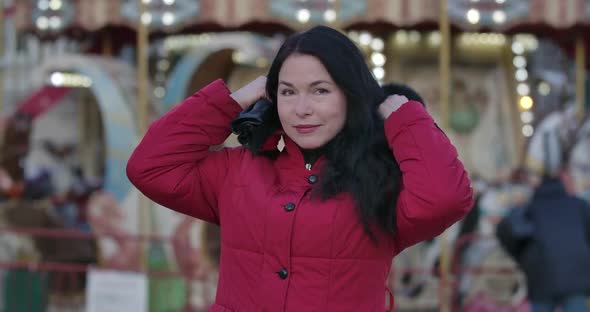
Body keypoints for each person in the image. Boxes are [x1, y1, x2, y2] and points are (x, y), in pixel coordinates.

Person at [127, 25, 473, 311]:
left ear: (351, 95)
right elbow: (149, 166)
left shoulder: (381, 183)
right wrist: (233, 101)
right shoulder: (238, 172)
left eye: (320, 91)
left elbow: (445, 199)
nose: (301, 109)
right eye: (288, 92)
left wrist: (406, 118)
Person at [497, 132, 590, 312]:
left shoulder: (528, 209)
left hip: (540, 277)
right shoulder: (579, 206)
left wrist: (522, 257)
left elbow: (505, 232)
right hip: (577, 277)